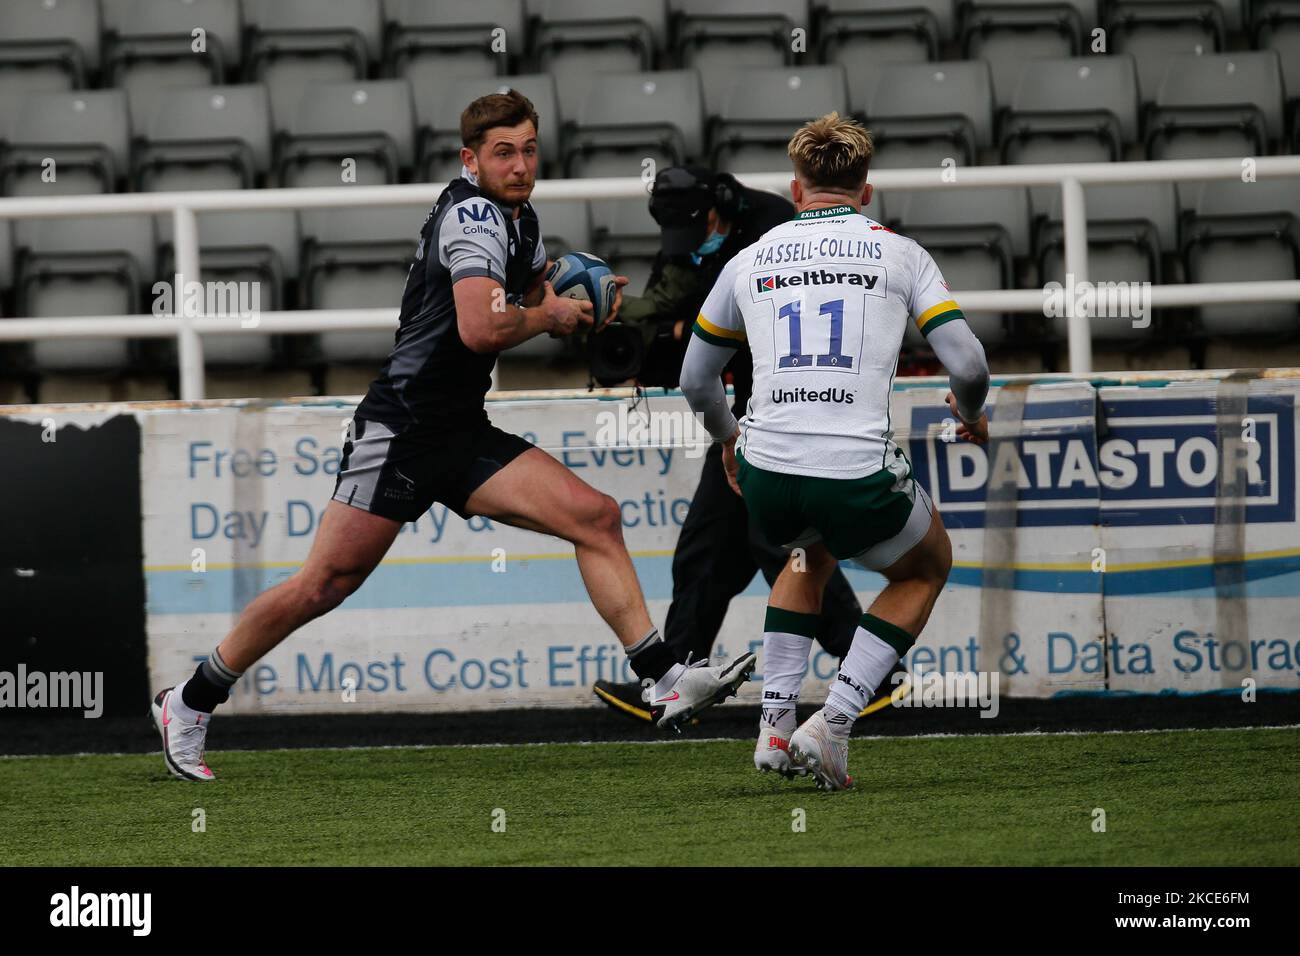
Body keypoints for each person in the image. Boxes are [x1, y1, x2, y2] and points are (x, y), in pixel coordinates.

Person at [150, 90, 756, 781]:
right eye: (504, 152)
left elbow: (527, 297)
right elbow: (481, 326)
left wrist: (583, 296)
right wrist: (551, 315)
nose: (520, 164)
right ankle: (191, 703)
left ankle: (662, 678)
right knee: (323, 585)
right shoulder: (472, 214)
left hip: (460, 430)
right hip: (403, 430)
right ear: (471, 159)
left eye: (529, 149)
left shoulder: (520, 220)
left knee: (597, 517)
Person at [679, 112, 991, 790]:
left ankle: (772, 726)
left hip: (767, 469)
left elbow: (694, 380)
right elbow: (967, 365)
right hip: (854, 467)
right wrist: (971, 416)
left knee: (806, 551)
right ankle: (835, 720)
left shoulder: (749, 258)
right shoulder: (897, 252)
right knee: (925, 566)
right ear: (866, 191)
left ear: (796, 191)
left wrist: (729, 442)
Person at [591, 166, 909, 723]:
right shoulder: (684, 244)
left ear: (718, 208)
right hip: (744, 411)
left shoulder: (771, 224)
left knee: (774, 545)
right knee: (709, 549)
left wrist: (682, 334)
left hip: (785, 407)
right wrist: (647, 334)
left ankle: (873, 675)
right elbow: (682, 350)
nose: (689, 247)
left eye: (699, 230)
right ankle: (676, 677)